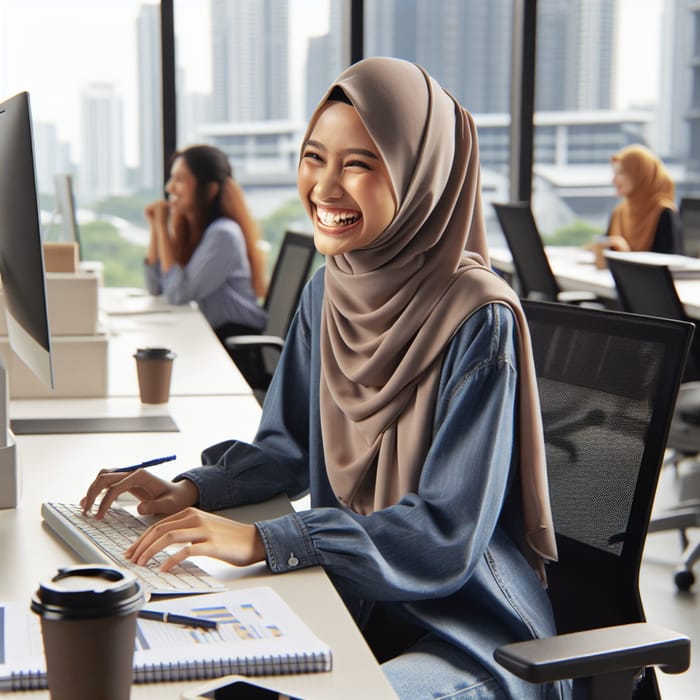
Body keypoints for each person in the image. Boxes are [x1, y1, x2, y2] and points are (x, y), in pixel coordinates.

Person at [82, 58, 566, 699]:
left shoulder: (479, 317)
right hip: (360, 604)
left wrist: (264, 538)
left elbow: (444, 532)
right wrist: (195, 489)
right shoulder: (327, 291)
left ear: (420, 175)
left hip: (470, 631)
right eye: (316, 157)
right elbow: (289, 449)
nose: (325, 187)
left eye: (360, 164)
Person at [144, 144, 268, 349]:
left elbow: (177, 295)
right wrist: (155, 229)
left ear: (210, 189)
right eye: (171, 178)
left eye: (180, 179)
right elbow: (156, 287)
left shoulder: (223, 234)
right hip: (215, 339)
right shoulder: (199, 233)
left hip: (235, 348)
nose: (169, 188)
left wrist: (162, 227)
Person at [605, 143, 682, 254]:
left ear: (640, 175)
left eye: (620, 173)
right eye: (614, 173)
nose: (613, 180)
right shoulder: (619, 212)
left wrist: (626, 255)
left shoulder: (663, 213)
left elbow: (667, 265)